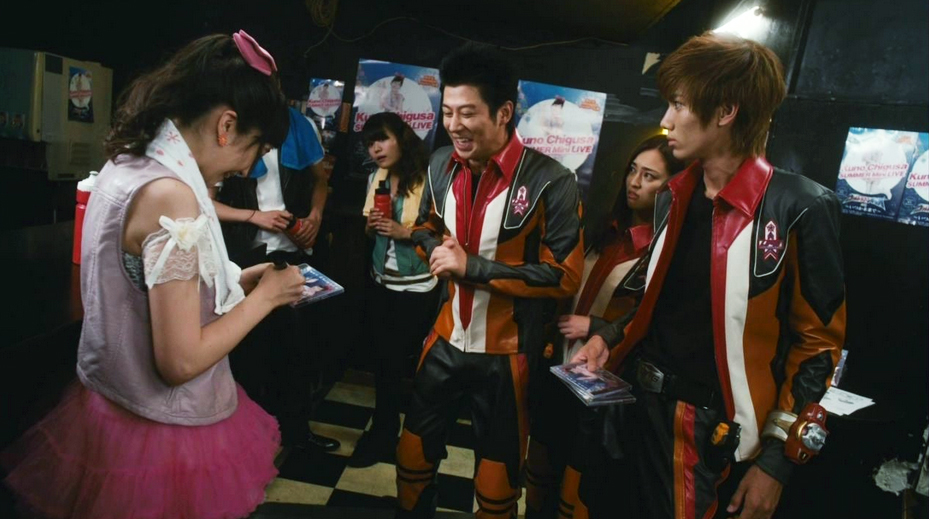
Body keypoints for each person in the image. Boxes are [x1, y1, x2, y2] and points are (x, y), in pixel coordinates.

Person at [0, 31, 306, 519]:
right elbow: (180, 361)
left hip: (107, 407)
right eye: (255, 149)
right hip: (161, 429)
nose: (248, 168)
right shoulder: (173, 196)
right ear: (226, 125)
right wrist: (265, 300)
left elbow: (141, 283)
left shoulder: (127, 163)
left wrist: (241, 282)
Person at [572, 32, 846, 519]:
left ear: (725, 111)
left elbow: (819, 345)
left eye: (679, 104)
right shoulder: (675, 194)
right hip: (631, 403)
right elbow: (665, 304)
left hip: (707, 432)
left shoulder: (799, 207)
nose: (665, 120)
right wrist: (609, 338)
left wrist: (778, 463)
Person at [394, 43, 584, 519]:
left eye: (468, 112)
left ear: (503, 113)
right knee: (411, 460)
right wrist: (433, 248)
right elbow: (424, 226)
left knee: (497, 487)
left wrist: (472, 267)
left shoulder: (552, 180)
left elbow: (564, 276)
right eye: (447, 112)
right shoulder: (440, 163)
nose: (454, 124)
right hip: (443, 339)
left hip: (508, 355)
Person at [523, 135, 685, 519]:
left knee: (578, 483)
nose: (635, 182)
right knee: (539, 470)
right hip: (558, 365)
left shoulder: (663, 251)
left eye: (649, 176)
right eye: (633, 171)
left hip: (604, 383)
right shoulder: (604, 229)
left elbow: (655, 320)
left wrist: (594, 325)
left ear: (670, 189)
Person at [210, 104, 340, 452]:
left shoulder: (299, 125)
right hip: (244, 258)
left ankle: (296, 433)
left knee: (298, 350)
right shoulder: (226, 133)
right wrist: (254, 216)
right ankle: (248, 440)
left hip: (293, 254)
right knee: (249, 355)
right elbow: (205, 204)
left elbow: (320, 181)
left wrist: (315, 216)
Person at [351, 112, 439, 468]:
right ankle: (385, 433)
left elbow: (446, 236)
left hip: (416, 288)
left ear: (402, 138)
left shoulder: (432, 179)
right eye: (370, 143)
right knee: (384, 362)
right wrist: (372, 227)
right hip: (380, 281)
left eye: (382, 139)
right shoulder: (377, 177)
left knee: (406, 365)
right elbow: (369, 230)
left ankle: (406, 439)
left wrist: (405, 233)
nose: (376, 149)